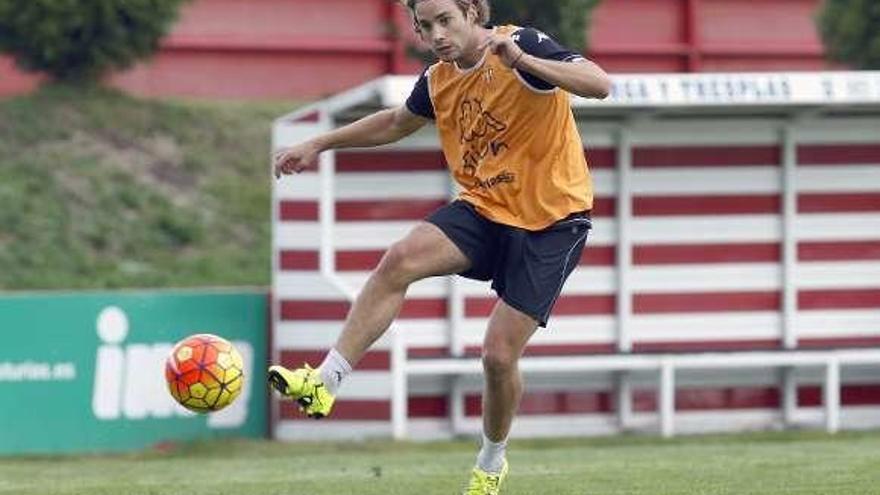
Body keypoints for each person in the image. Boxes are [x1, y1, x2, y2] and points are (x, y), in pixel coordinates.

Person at [268, 0, 610, 493]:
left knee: (496, 357)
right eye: (425, 26)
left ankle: (491, 464)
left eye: (445, 20)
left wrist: (524, 63)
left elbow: (600, 85)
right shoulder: (438, 80)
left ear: (474, 12)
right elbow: (394, 122)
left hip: (552, 222)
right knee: (399, 260)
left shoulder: (522, 45)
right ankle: (325, 381)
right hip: (486, 210)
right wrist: (319, 143)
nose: (436, 34)